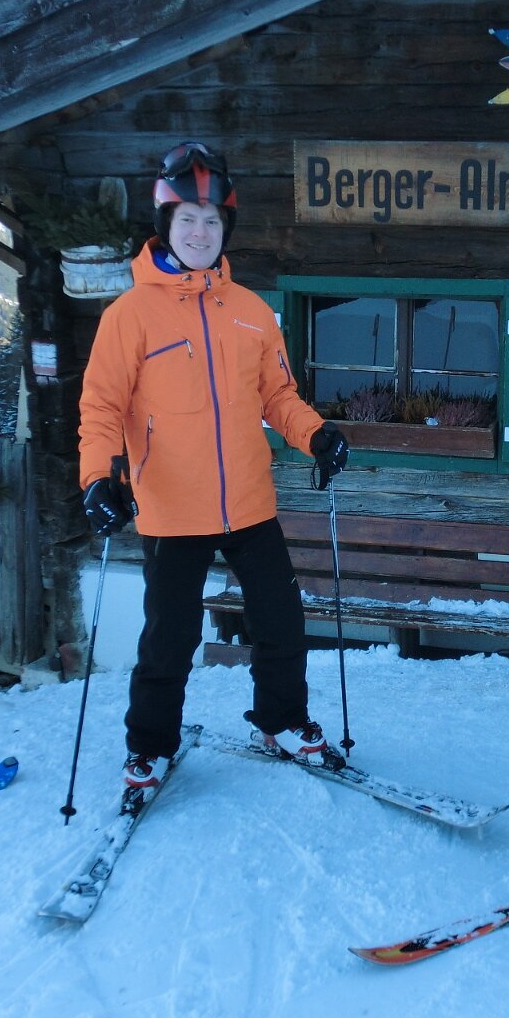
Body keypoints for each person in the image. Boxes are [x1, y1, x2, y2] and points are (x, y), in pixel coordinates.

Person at [77, 142, 351, 788]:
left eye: (210, 220)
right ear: (165, 225)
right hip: (172, 507)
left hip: (249, 501)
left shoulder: (252, 313)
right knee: (169, 638)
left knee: (280, 621)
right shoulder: (129, 316)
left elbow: (278, 396)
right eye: (187, 219)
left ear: (225, 227)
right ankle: (150, 746)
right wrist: (96, 479)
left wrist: (314, 435)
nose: (199, 232)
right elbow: (101, 407)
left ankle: (282, 721)